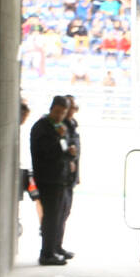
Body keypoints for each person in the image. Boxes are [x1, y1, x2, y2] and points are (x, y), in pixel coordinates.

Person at [29, 96, 76, 266]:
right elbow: (48, 152)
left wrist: (70, 152)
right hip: (48, 179)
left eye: (63, 113)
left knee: (59, 216)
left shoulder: (59, 127)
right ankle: (47, 253)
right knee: (50, 217)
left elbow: (62, 150)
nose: (59, 116)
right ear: (51, 109)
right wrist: (59, 138)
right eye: (57, 112)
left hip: (60, 178)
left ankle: (56, 248)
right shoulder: (42, 128)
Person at [58, 95, 80, 258]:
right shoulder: (62, 127)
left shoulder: (72, 126)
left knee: (65, 212)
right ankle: (53, 247)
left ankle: (58, 246)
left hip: (70, 175)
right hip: (62, 175)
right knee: (59, 213)